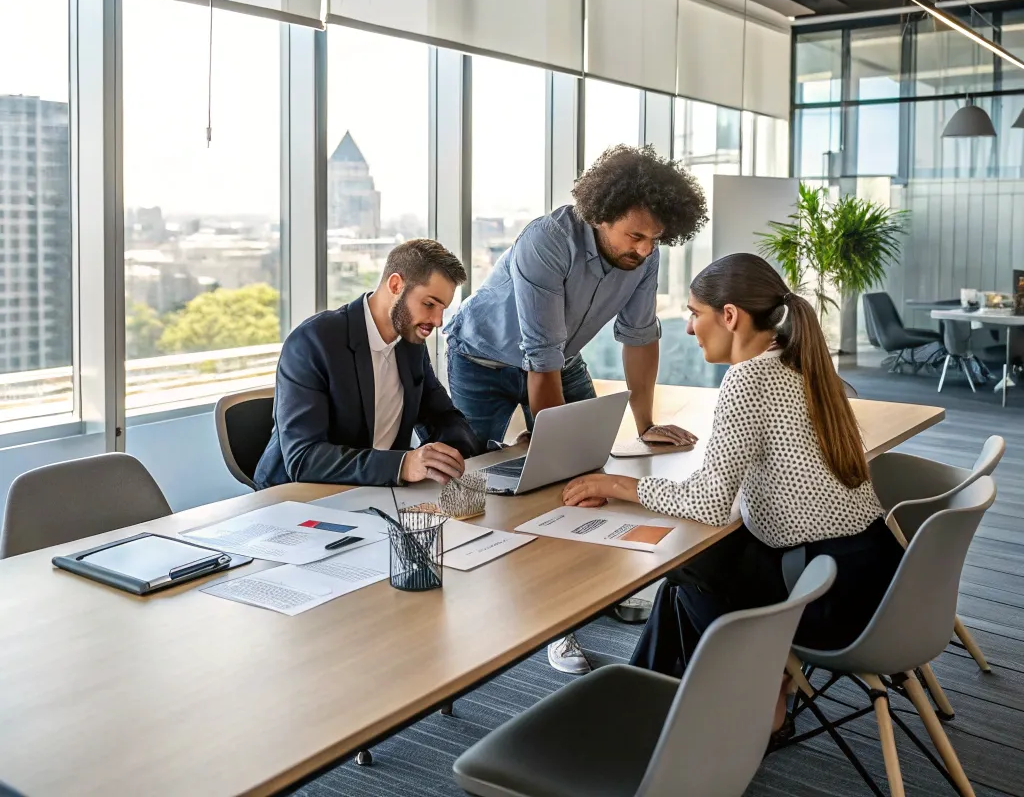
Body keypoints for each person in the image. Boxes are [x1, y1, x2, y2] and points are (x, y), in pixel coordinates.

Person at [562, 252, 903, 735]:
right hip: (876, 576)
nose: (688, 329)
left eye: (694, 313)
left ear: (730, 316)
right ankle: (654, 709)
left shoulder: (748, 378)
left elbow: (707, 502)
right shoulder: (798, 360)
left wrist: (615, 484)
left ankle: (718, 702)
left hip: (826, 597)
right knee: (686, 581)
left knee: (685, 564)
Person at [445, 145, 709, 675]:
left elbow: (639, 337)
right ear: (599, 213)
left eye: (654, 238)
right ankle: (467, 609)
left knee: (593, 475)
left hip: (557, 356)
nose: (642, 249)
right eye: (634, 235)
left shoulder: (643, 252)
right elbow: (537, 358)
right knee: (468, 484)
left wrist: (647, 424)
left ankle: (582, 600)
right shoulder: (548, 243)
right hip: (483, 360)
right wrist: (552, 452)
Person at [253, 239, 480, 490]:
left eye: (442, 309)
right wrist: (402, 465)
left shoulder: (410, 343)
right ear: (396, 285)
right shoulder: (313, 341)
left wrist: (458, 453)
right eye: (429, 304)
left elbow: (442, 416)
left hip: (377, 494)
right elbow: (304, 458)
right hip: (298, 498)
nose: (437, 321)